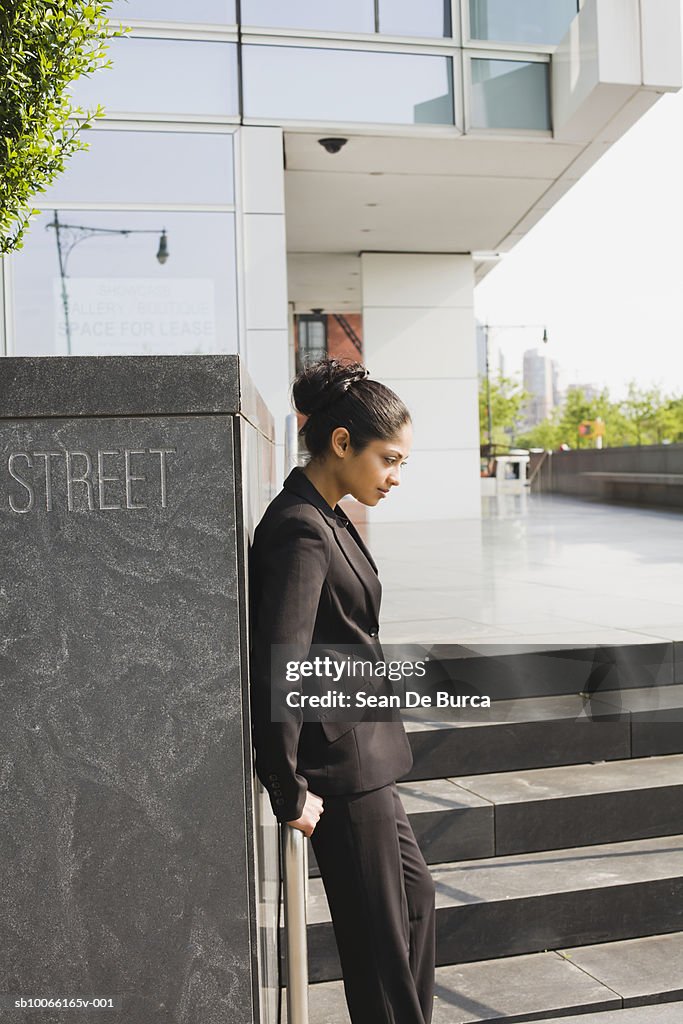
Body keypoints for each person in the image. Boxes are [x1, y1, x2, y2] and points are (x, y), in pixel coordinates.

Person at [249, 358, 436, 1024]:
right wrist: (285, 785)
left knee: (413, 909)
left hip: (370, 761)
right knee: (379, 947)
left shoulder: (328, 515)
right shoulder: (300, 527)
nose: (393, 476)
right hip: (340, 771)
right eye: (389, 459)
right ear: (340, 443)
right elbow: (281, 662)